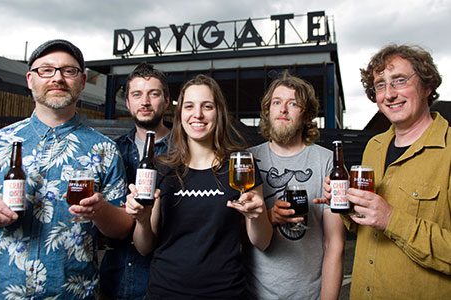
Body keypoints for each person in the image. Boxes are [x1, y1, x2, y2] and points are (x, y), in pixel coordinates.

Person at [0, 39, 133, 299]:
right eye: (46, 70)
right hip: (1, 290)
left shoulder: (105, 149)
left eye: (69, 71)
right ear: (30, 79)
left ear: (82, 80)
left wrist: (101, 211)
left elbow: (123, 228)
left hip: (75, 292)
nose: (57, 78)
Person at [125, 74, 273, 299]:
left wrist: (256, 216)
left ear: (219, 112)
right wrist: (142, 221)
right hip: (165, 292)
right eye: (189, 106)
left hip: (226, 292)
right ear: (180, 114)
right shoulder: (161, 169)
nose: (198, 115)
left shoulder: (240, 165)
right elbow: (144, 247)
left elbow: (262, 242)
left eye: (207, 106)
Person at [322, 44, 451, 299]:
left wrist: (391, 219)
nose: (389, 94)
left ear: (427, 86)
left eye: (399, 80)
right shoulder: (374, 147)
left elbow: (385, 219)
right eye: (380, 85)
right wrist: (347, 205)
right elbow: (366, 227)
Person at [244, 72, 345, 299]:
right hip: (254, 293)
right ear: (267, 111)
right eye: (277, 103)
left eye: (293, 104)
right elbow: (230, 235)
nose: (283, 110)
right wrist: (268, 217)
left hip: (308, 293)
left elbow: (334, 243)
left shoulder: (326, 160)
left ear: (307, 115)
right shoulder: (248, 160)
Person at [99, 62, 171, 300]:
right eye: (137, 94)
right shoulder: (113, 150)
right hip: (116, 277)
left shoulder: (185, 151)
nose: (145, 102)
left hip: (166, 278)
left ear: (167, 100)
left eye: (154, 93)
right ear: (128, 103)